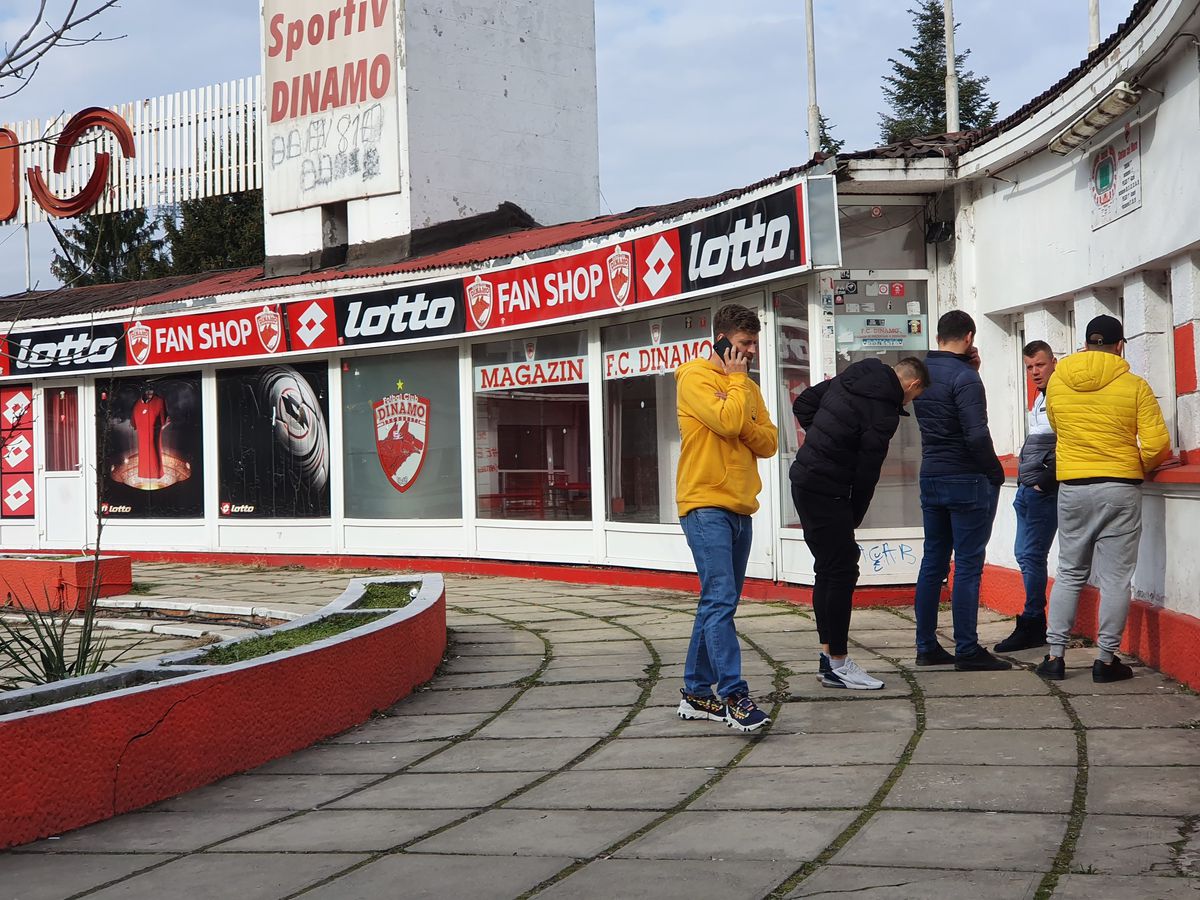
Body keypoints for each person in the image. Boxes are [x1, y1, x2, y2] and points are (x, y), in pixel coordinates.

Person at [1036, 315, 1170, 682]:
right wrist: (1137, 463)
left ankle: (1054, 656)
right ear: (1120, 345)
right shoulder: (1135, 386)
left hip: (1073, 487)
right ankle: (1106, 660)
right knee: (1115, 579)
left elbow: (1058, 430)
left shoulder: (1059, 383)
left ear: (1085, 344)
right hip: (1120, 487)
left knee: (1069, 571)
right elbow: (1158, 444)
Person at [791, 356, 930, 689]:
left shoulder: (857, 373)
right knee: (841, 571)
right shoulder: (883, 411)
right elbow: (868, 471)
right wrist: (854, 513)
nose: (910, 402)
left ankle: (829, 659)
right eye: (915, 396)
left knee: (828, 568)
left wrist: (824, 443)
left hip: (804, 480)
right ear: (911, 386)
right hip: (829, 491)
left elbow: (806, 402)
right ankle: (837, 663)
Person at [675, 304, 778, 733]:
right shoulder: (694, 377)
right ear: (720, 340)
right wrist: (736, 395)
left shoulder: (746, 387)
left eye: (754, 343)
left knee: (719, 602)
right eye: (744, 344)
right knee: (719, 600)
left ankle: (697, 694)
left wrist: (739, 414)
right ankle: (734, 696)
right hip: (704, 504)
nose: (751, 352)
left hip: (739, 506)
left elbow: (768, 440)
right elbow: (729, 419)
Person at [911, 310, 1012, 671]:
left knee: (932, 561)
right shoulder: (964, 378)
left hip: (932, 475)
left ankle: (926, 646)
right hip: (967, 478)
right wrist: (994, 472)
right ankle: (967, 648)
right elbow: (975, 433)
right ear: (968, 337)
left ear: (939, 336)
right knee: (968, 565)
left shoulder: (922, 371)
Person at [994, 341, 1059, 652]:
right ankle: (1034, 621)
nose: (1034, 372)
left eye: (1040, 365)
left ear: (1054, 362)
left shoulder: (1060, 395)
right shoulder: (1040, 396)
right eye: (1029, 367)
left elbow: (1068, 443)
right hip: (1028, 490)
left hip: (1042, 493)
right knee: (1026, 555)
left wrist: (1044, 483)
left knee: (1030, 555)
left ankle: (1034, 622)